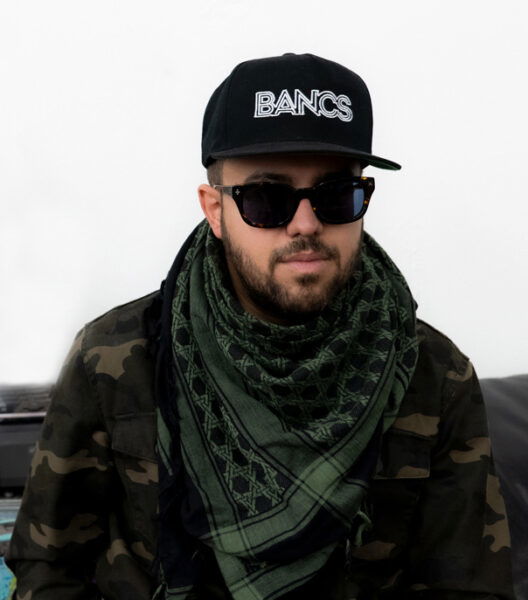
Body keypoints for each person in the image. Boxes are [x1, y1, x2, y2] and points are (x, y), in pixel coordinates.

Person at [7, 53, 514, 599]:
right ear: (215, 209)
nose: (305, 224)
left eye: (335, 195)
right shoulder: (113, 357)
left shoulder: (434, 374)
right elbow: (48, 569)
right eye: (267, 198)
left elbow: (468, 587)